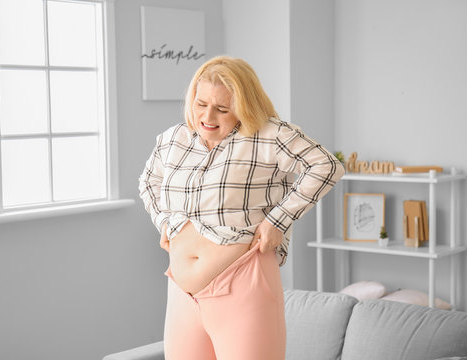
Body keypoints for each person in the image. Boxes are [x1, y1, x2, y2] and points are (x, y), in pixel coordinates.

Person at [138, 55, 345, 360]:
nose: (208, 116)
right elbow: (148, 182)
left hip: (243, 285)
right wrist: (165, 223)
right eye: (200, 104)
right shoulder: (173, 139)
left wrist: (279, 221)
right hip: (182, 294)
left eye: (222, 108)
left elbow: (326, 166)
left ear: (244, 105)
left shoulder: (268, 135)